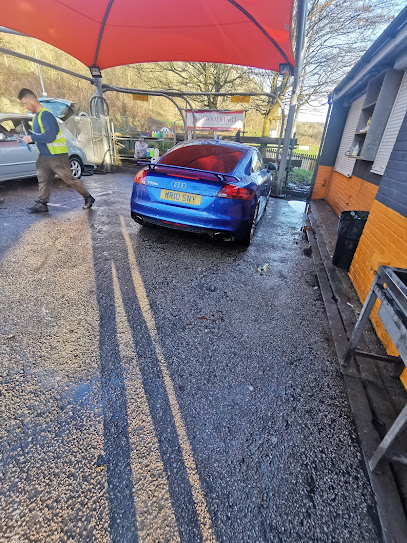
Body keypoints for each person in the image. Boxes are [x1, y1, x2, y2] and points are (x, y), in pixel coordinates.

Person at [18, 88, 95, 213]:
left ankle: (88, 197)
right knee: (44, 179)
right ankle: (42, 204)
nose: (25, 107)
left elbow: (50, 136)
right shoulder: (37, 117)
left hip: (57, 155)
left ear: (32, 101)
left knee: (69, 179)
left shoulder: (46, 115)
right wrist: (27, 139)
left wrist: (31, 137)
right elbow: (40, 136)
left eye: (25, 103)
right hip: (45, 155)